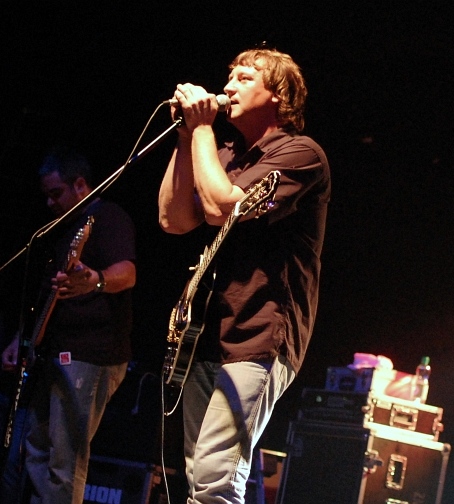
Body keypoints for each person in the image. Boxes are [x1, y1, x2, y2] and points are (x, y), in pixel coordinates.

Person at [158, 48, 330, 503]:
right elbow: (174, 220)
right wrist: (185, 136)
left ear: (277, 94)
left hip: (260, 333)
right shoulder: (226, 152)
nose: (228, 85)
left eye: (244, 77)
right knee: (198, 478)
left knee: (216, 481)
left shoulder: (300, 153)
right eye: (228, 76)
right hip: (207, 333)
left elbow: (220, 208)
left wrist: (200, 130)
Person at [0, 147, 137, 504]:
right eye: (46, 195)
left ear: (80, 185)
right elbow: (49, 295)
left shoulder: (106, 217)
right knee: (36, 448)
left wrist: (95, 280)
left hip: (90, 355)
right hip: (54, 352)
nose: (49, 203)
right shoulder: (64, 229)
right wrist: (23, 339)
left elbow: (127, 272)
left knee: (66, 459)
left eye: (56, 193)